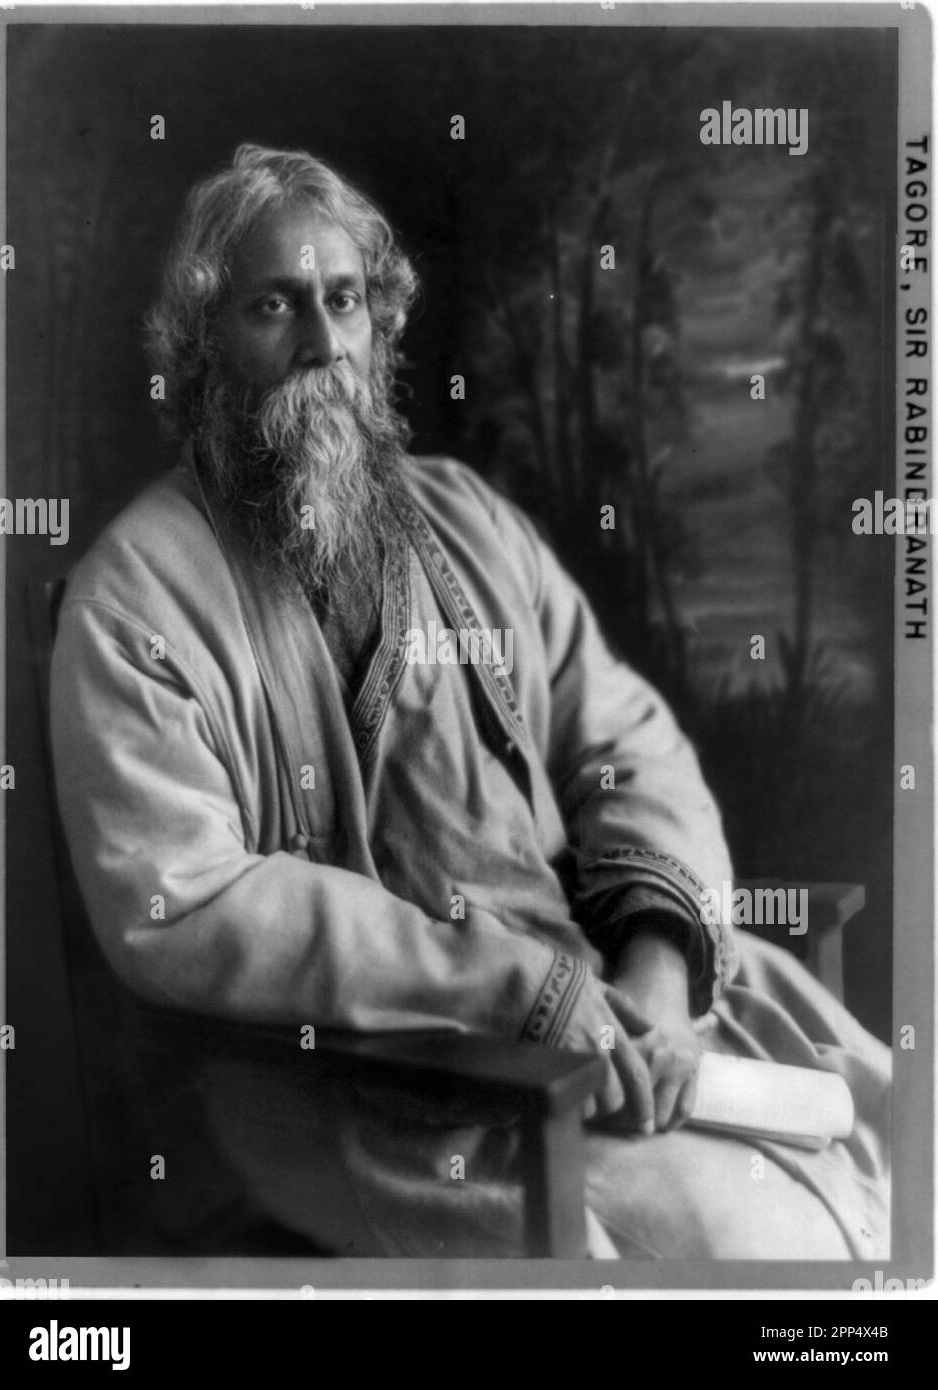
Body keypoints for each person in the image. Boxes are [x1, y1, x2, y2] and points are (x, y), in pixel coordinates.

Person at [51, 144, 889, 1259]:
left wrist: (651, 963)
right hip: (374, 1078)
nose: (320, 343)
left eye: (342, 300)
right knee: (755, 1240)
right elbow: (185, 901)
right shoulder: (137, 591)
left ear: (379, 325)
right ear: (204, 345)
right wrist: (511, 990)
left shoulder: (464, 517)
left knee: (905, 1134)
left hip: (618, 1012)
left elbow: (622, 739)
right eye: (273, 305)